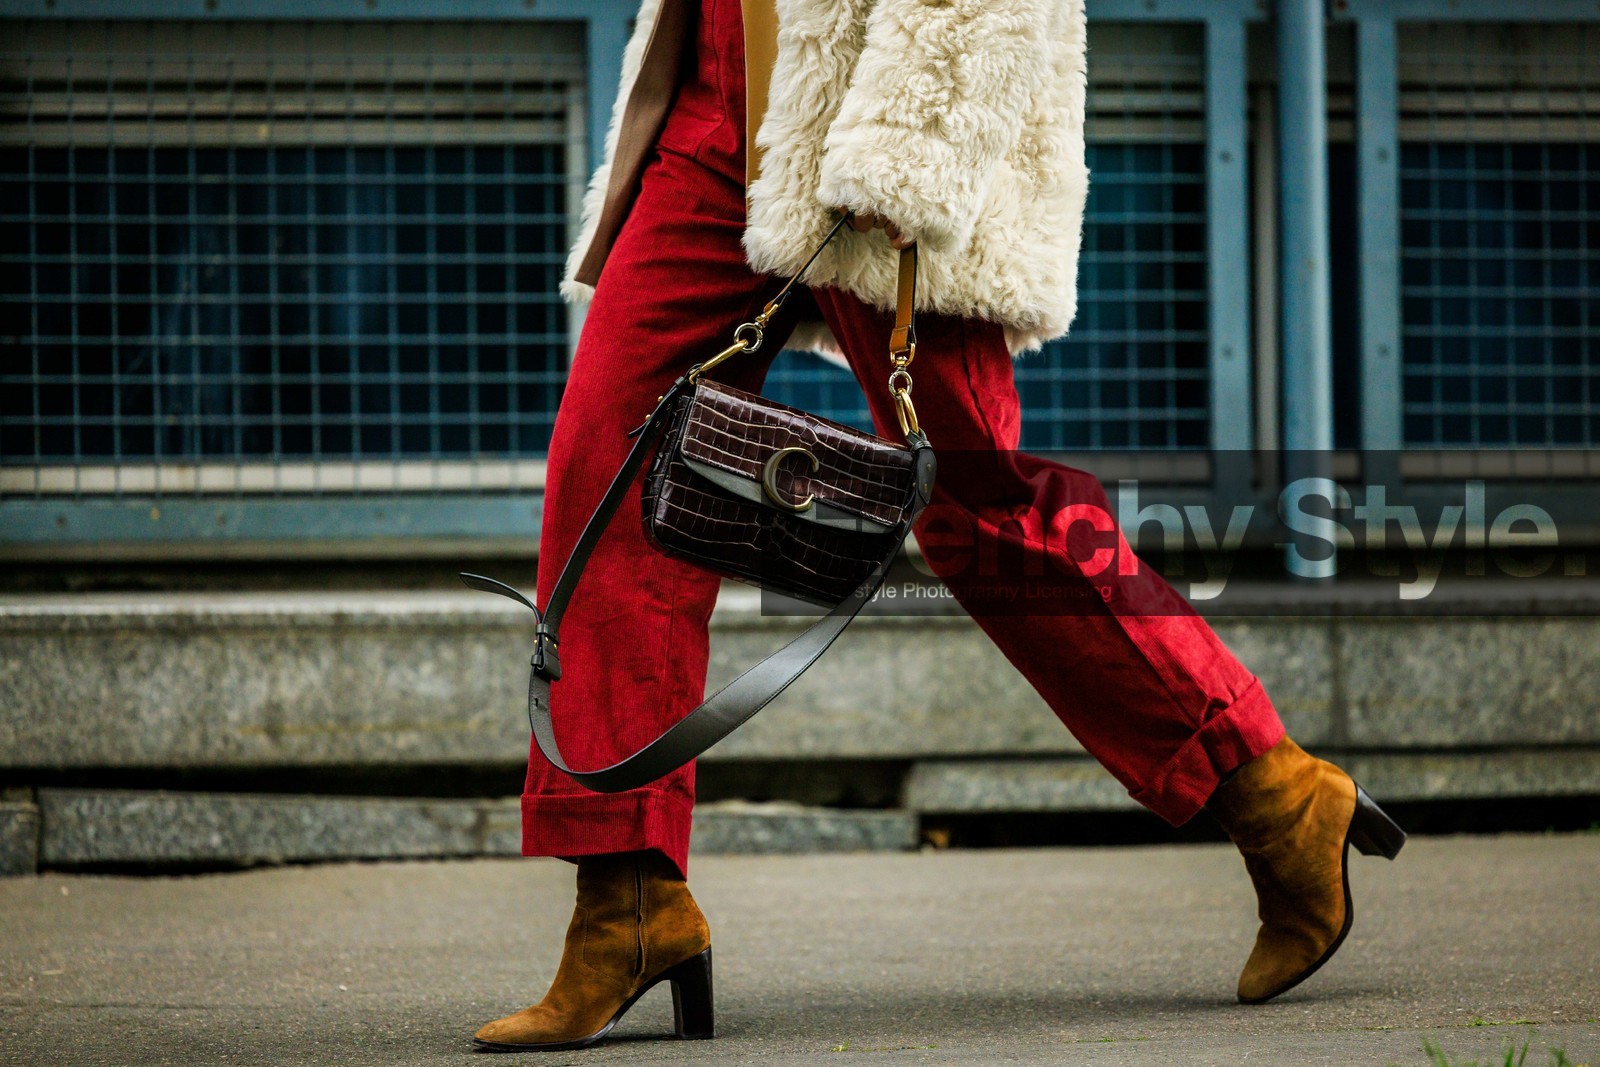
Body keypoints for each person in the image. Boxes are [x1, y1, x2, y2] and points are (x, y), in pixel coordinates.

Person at [471, 0, 1406, 1051]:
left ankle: (1270, 792)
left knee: (979, 507)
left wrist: (912, 149)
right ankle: (626, 902)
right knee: (609, 470)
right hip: (718, 104)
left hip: (882, 98)